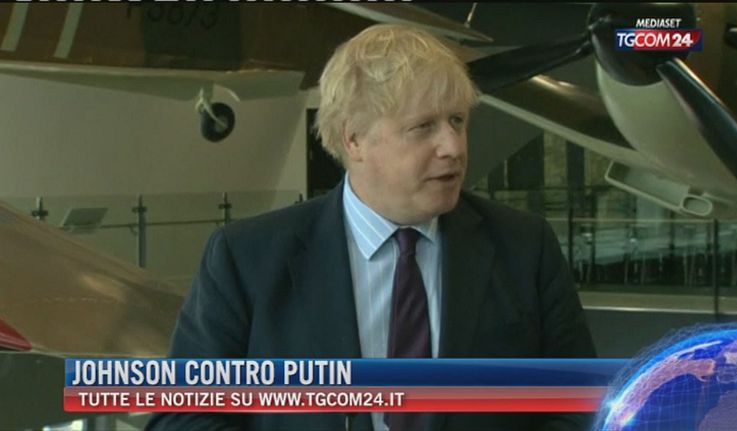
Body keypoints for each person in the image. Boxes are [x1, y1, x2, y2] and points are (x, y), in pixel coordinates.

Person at [146, 24, 595, 431]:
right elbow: (182, 416)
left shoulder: (524, 246)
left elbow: (582, 404)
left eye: (457, 121)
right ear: (354, 139)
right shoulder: (247, 259)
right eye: (424, 127)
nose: (453, 147)